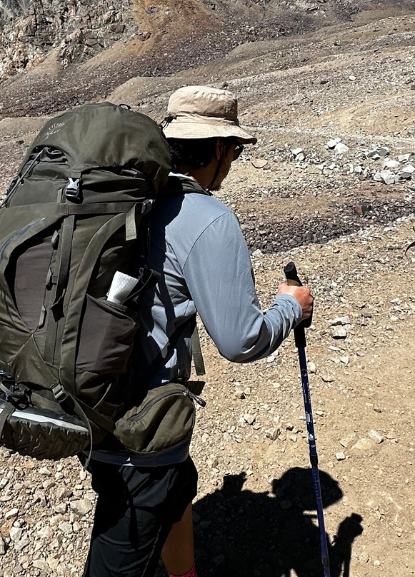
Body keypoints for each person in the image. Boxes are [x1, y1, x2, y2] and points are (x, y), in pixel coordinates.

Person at [83, 85, 315, 577]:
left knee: (177, 484)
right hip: (140, 428)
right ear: (216, 148)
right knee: (121, 551)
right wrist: (289, 307)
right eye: (233, 150)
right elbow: (240, 339)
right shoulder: (209, 218)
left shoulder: (131, 198)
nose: (232, 161)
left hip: (92, 395)